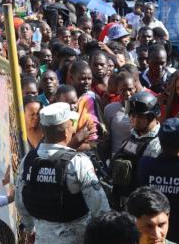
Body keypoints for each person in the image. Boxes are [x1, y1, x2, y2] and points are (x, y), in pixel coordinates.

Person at [15, 102, 110, 244]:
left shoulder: (28, 160)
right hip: (77, 238)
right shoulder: (78, 162)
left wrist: (29, 228)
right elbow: (100, 209)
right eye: (71, 124)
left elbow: (20, 200)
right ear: (66, 132)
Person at [110, 91, 162, 209]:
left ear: (152, 116)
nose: (134, 120)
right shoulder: (133, 136)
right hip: (125, 201)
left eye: (139, 116)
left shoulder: (159, 143)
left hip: (144, 205)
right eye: (131, 115)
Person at [104, 72, 137, 155]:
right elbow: (107, 137)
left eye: (130, 89)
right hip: (116, 157)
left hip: (137, 157)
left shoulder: (142, 108)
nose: (127, 93)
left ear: (135, 88)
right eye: (123, 90)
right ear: (117, 90)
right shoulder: (110, 109)